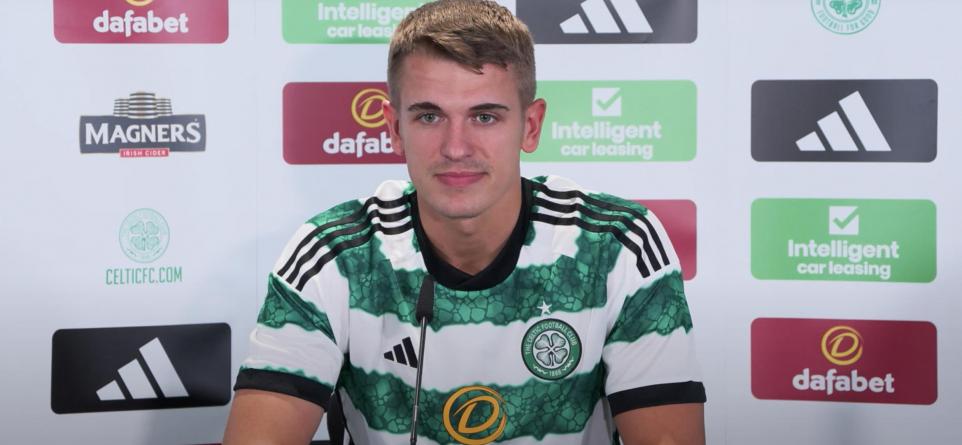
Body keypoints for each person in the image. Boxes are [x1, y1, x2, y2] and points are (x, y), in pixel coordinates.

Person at [223, 0, 706, 443]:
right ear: (395, 130)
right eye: (429, 117)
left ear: (530, 126)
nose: (456, 148)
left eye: (485, 117)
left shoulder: (617, 245)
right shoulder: (334, 255)